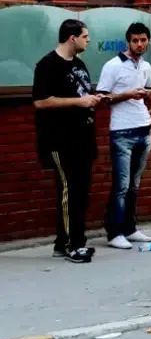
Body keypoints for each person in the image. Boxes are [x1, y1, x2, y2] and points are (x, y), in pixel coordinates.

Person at [32, 19, 102, 263]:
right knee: (68, 190)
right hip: (59, 140)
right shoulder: (47, 65)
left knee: (81, 191)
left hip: (83, 138)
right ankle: (73, 245)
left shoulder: (80, 65)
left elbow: (81, 95)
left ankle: (65, 243)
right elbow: (41, 101)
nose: (88, 40)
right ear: (72, 37)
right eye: (85, 35)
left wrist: (93, 99)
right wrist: (78, 102)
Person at [97, 22, 151, 250]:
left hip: (144, 129)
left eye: (143, 40)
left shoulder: (145, 66)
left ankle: (130, 229)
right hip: (122, 133)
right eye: (135, 40)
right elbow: (102, 98)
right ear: (128, 42)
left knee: (134, 185)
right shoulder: (113, 66)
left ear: (149, 41)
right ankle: (114, 232)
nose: (139, 44)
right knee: (122, 185)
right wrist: (128, 95)